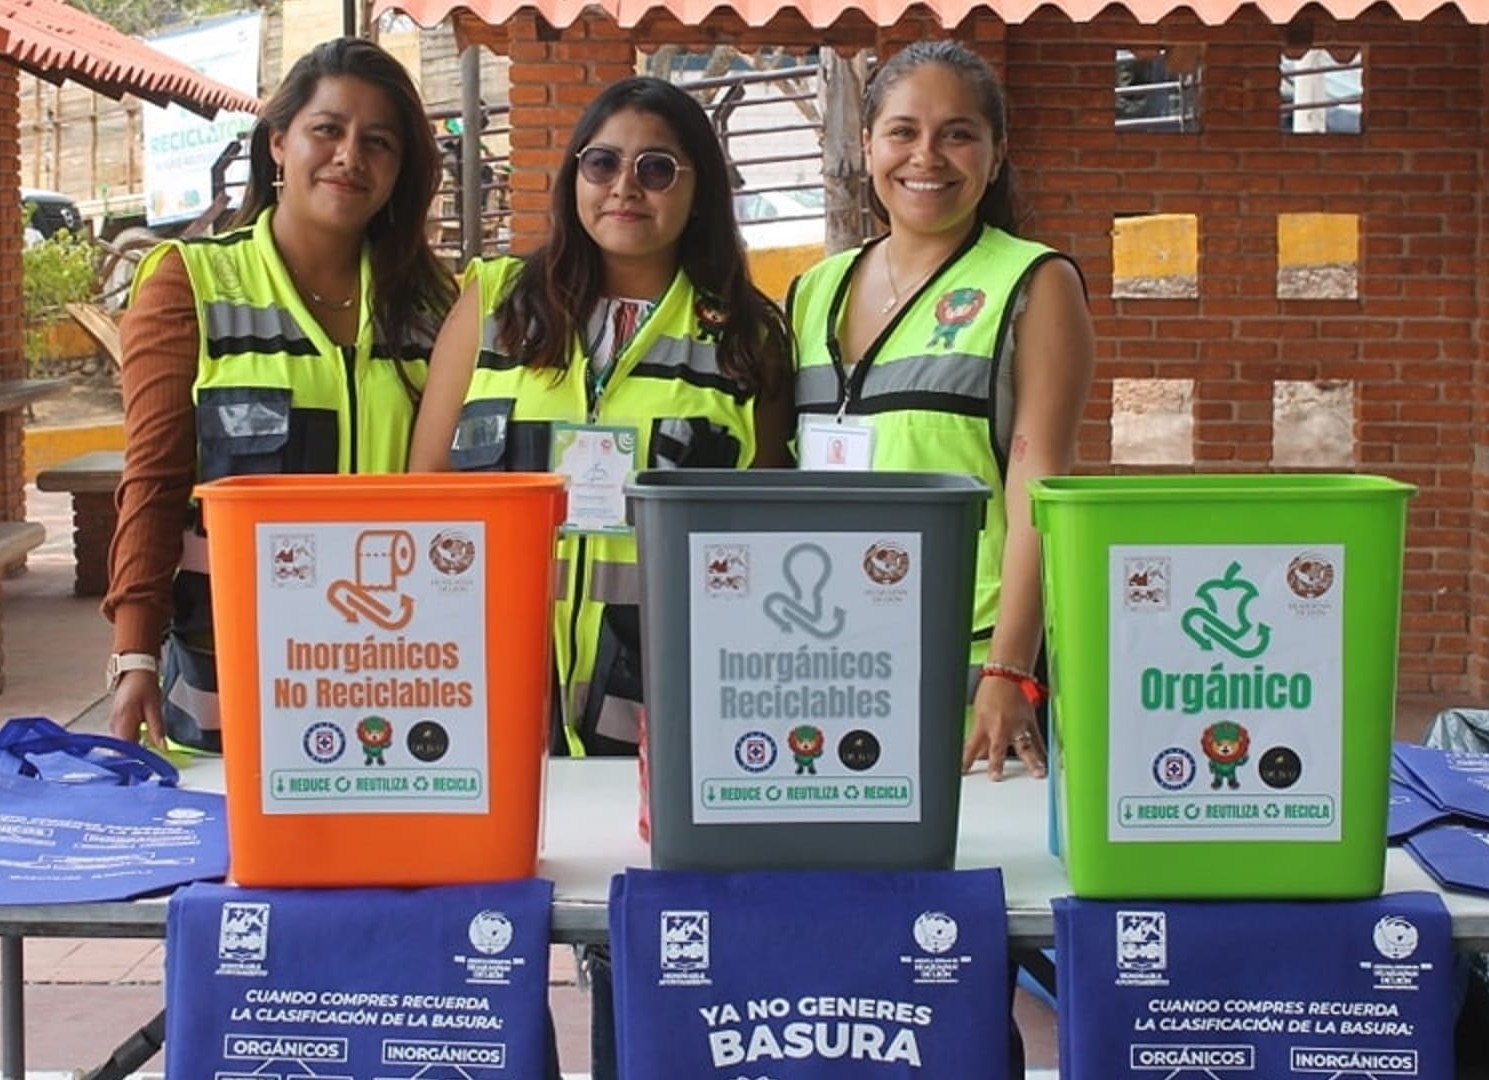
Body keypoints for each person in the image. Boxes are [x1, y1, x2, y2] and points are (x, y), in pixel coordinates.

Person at [410, 75, 794, 759]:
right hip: (492, 684)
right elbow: (429, 482)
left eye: (656, 168)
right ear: (574, 176)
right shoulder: (495, 301)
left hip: (669, 701)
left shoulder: (745, 337)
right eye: (603, 162)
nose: (625, 186)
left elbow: (764, 533)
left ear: (699, 188)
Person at [102, 38, 456, 753]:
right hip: (232, 671)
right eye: (328, 129)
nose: (350, 155)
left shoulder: (435, 309)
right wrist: (133, 649)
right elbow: (155, 476)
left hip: (397, 676)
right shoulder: (190, 283)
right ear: (277, 144)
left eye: (378, 141)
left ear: (400, 171)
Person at [786, 40, 1095, 783]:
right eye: (903, 131)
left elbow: (1038, 491)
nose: (927, 156)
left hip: (973, 662)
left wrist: (1009, 671)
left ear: (996, 154)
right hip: (830, 655)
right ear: (867, 146)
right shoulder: (812, 289)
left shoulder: (1034, 281)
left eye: (958, 133)